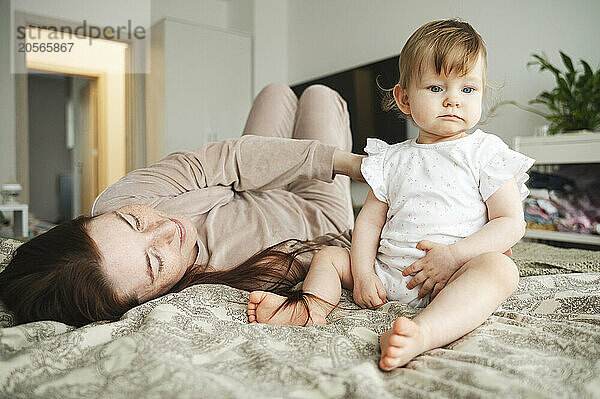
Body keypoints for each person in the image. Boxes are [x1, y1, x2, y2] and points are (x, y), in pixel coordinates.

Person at [246, 19, 535, 371]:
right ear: (404, 98)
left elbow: (510, 222)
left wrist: (455, 256)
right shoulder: (391, 159)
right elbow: (368, 222)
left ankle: (424, 332)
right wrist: (364, 272)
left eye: (468, 89)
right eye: (435, 88)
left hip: (450, 276)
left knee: (500, 269)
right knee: (328, 257)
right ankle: (312, 307)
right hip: (387, 274)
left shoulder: (486, 152)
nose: (452, 100)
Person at [0, 83, 366, 327]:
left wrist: (345, 163)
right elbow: (328, 258)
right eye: (155, 261)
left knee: (275, 92)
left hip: (250, 180)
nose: (166, 229)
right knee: (320, 94)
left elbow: (226, 160)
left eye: (134, 222)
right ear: (151, 297)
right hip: (314, 210)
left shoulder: (116, 200)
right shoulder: (218, 283)